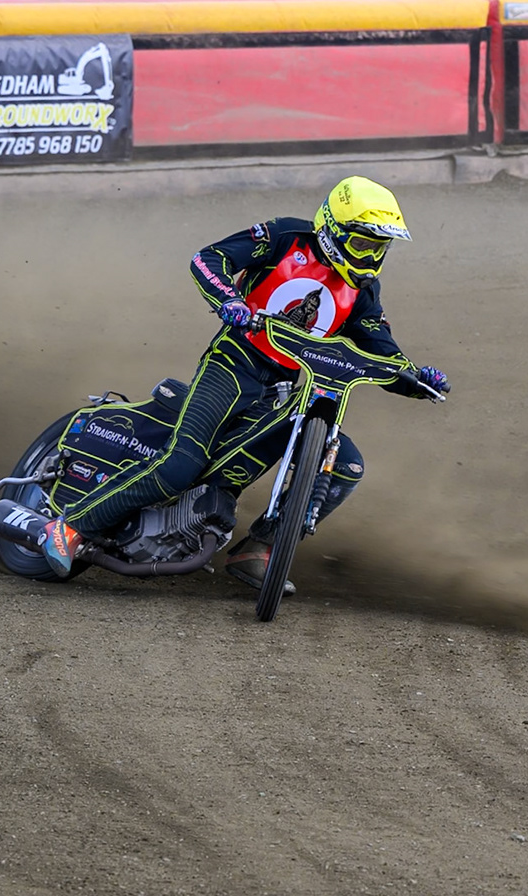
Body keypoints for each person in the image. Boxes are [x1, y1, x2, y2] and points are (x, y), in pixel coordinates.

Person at [37, 176, 450, 589]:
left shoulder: (364, 290)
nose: (371, 256)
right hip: (232, 365)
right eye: (363, 243)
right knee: (182, 465)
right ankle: (71, 526)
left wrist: (416, 378)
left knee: (347, 466)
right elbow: (208, 259)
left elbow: (382, 351)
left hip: (293, 392)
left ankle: (260, 548)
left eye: (379, 247)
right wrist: (229, 301)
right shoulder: (286, 236)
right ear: (332, 229)